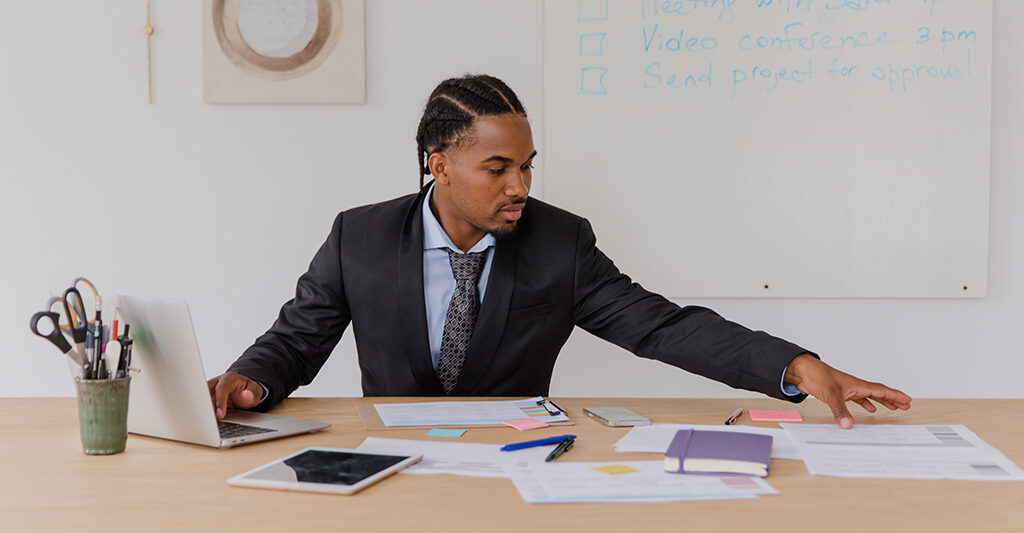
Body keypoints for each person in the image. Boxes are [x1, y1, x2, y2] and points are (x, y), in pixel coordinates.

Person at [208, 74, 911, 429]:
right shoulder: (357, 237)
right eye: (498, 168)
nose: (521, 187)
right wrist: (251, 381)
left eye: (528, 165)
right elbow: (296, 341)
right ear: (438, 164)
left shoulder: (559, 242)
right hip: (393, 463)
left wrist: (792, 365)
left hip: (520, 462)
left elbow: (662, 326)